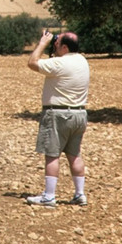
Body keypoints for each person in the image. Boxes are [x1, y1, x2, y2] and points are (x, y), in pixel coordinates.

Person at [25, 30, 90, 207]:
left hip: (58, 114)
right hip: (79, 114)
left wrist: (43, 43)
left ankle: (49, 196)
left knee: (52, 155)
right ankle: (80, 194)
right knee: (74, 154)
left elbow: (32, 63)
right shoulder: (83, 61)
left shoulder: (60, 64)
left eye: (57, 42)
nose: (55, 44)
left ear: (64, 47)